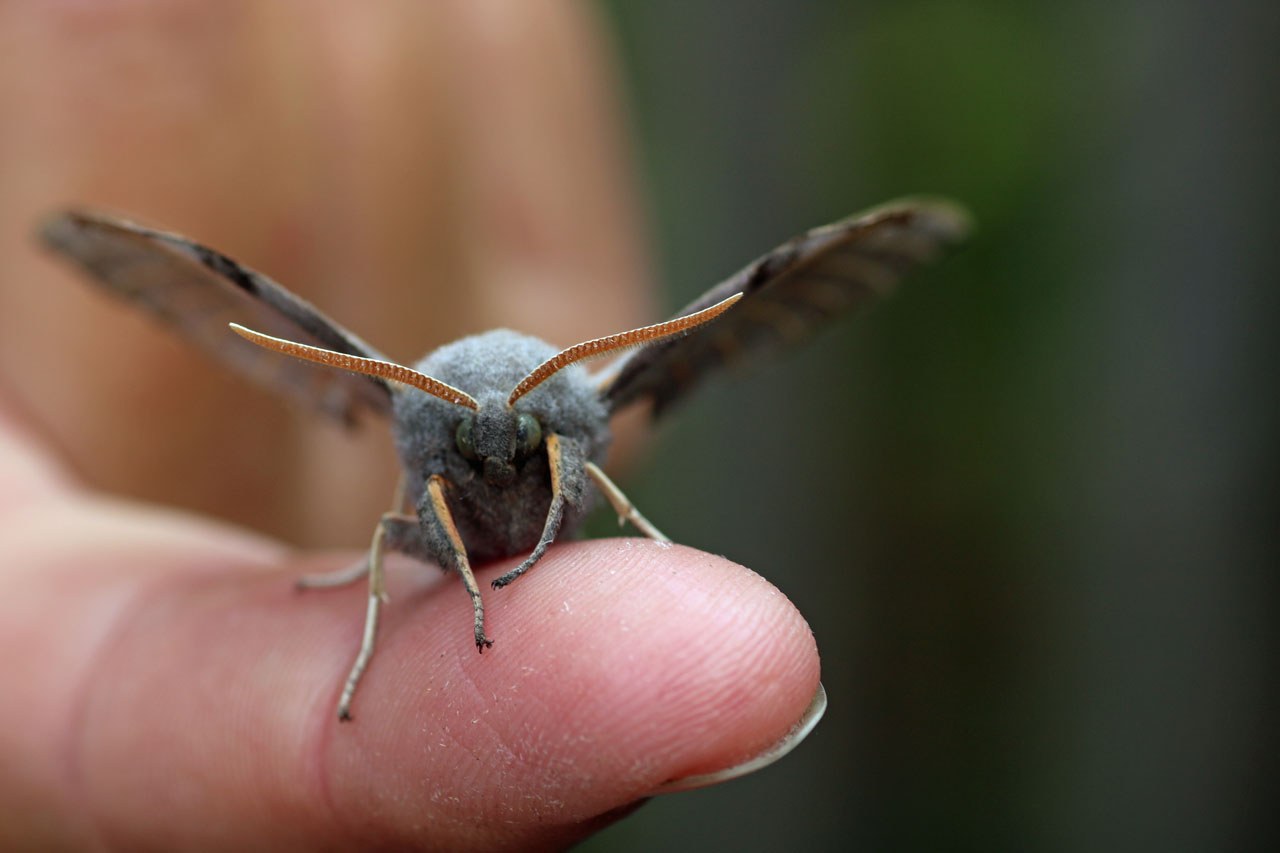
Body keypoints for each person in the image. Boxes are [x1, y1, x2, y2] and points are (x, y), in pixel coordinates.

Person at [0, 3, 820, 848]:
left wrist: (636, 526)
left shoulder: (566, 418)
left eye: (522, 440)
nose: (496, 454)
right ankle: (365, 634)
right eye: (471, 442)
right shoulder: (418, 445)